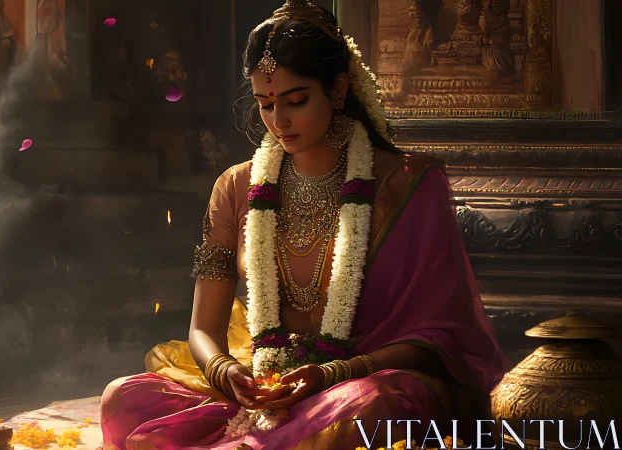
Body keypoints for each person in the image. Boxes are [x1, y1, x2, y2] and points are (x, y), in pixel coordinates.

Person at [101, 2, 509, 449]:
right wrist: (227, 372)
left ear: (337, 88)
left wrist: (332, 372)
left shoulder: (408, 184)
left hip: (362, 377)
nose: (279, 121)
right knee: (123, 398)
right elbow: (202, 329)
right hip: (263, 382)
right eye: (265, 104)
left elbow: (438, 335)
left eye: (296, 101)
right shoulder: (236, 187)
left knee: (363, 408)